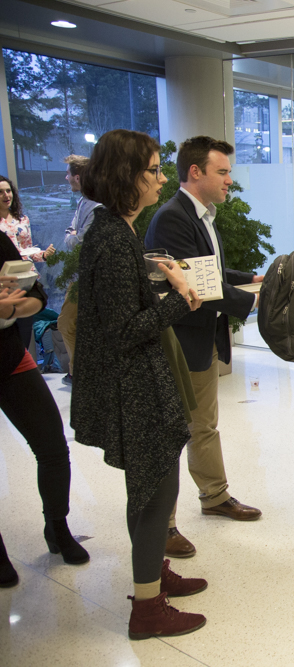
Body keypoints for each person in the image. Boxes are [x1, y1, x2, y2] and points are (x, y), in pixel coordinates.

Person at [72, 129, 208, 638]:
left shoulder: (117, 231)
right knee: (155, 491)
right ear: (128, 177)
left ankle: (154, 575)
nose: (162, 178)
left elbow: (121, 299)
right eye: (154, 170)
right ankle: (147, 608)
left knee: (154, 485)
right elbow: (124, 330)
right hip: (133, 387)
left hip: (138, 382)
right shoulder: (110, 240)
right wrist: (182, 299)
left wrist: (159, 274)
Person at [145, 136, 263, 559]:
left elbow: (207, 268)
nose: (230, 179)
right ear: (195, 173)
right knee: (175, 433)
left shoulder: (202, 215)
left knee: (204, 425)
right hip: (179, 341)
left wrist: (252, 276)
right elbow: (195, 285)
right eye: (223, 171)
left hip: (201, 339)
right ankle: (166, 524)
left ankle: (214, 496)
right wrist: (252, 301)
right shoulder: (172, 217)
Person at [0, 231, 90, 589]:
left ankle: (57, 526)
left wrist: (9, 308)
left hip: (9, 356)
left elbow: (36, 297)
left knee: (53, 447)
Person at [58, 155, 100, 385]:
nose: (66, 178)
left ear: (77, 177)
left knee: (66, 322)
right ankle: (79, 372)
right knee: (69, 323)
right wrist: (73, 236)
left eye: (68, 175)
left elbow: (79, 240)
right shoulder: (82, 202)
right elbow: (71, 231)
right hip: (78, 274)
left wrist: (72, 237)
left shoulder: (97, 206)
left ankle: (81, 373)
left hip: (88, 277)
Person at [0, 175, 55, 348]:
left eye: (8, 191)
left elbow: (27, 250)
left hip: (25, 279)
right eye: (0, 192)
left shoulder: (22, 219)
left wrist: (43, 255)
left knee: (24, 330)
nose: (6, 195)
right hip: (4, 281)